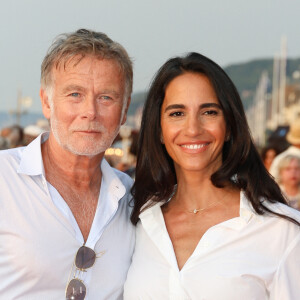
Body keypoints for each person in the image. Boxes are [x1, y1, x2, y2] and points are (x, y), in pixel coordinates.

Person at [124, 53, 300, 300]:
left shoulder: (281, 231)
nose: (193, 129)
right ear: (159, 130)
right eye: (177, 113)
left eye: (208, 112)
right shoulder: (137, 221)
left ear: (229, 126)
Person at [0, 29, 135, 300]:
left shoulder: (134, 200)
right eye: (75, 94)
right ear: (46, 103)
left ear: (124, 111)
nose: (90, 111)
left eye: (106, 97)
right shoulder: (4, 180)